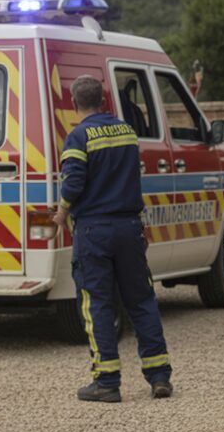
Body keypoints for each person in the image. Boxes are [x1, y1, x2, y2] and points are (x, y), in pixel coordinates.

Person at [52, 74, 173, 402]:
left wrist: (61, 213)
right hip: (129, 227)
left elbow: (73, 183)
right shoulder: (127, 132)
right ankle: (159, 376)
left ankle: (107, 381)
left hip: (94, 231)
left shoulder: (78, 136)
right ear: (104, 100)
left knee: (98, 303)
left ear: (74, 104)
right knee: (142, 300)